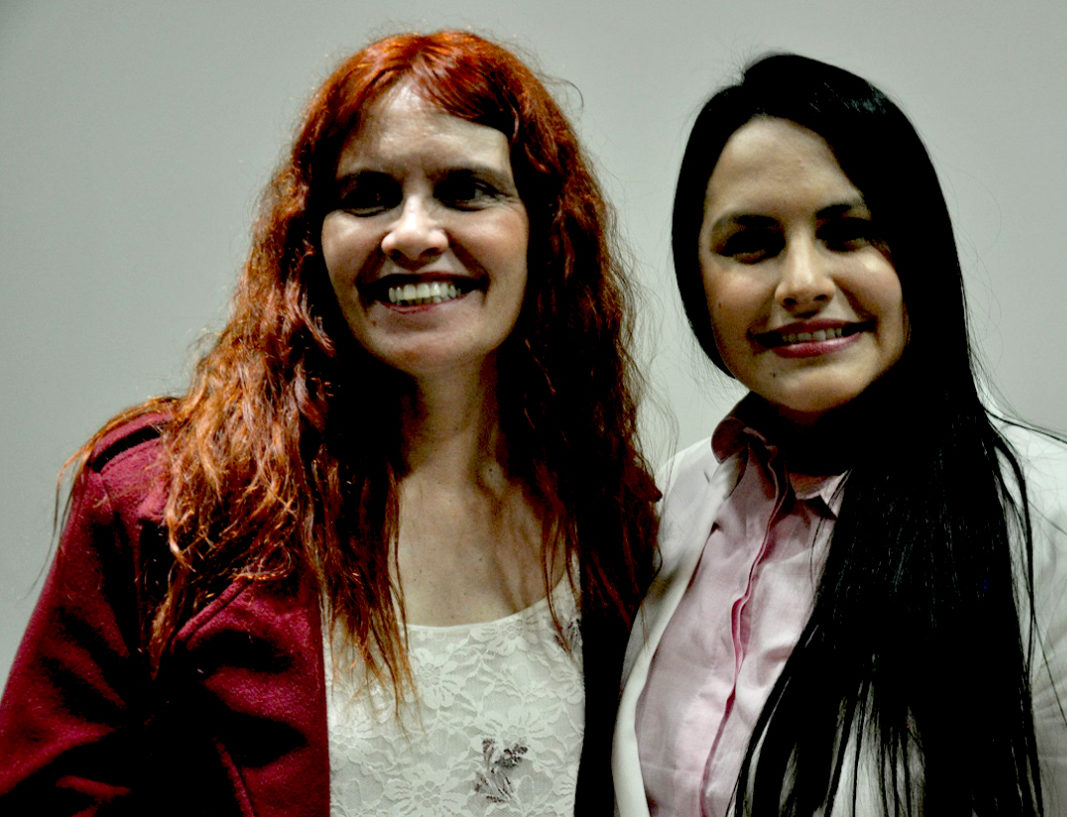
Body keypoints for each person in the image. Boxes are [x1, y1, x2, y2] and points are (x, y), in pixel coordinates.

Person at [0, 30, 658, 817]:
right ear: (312, 239)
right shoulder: (164, 505)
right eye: (368, 195)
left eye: (466, 190)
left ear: (546, 232)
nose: (411, 233)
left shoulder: (611, 517)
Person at [613, 54, 1067, 817]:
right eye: (752, 243)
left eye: (849, 233)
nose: (802, 283)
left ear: (921, 254)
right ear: (695, 276)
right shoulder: (669, 504)